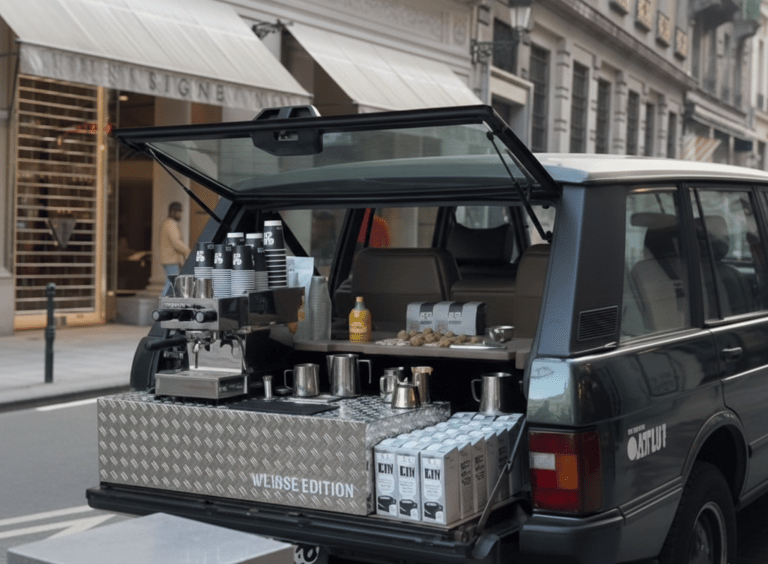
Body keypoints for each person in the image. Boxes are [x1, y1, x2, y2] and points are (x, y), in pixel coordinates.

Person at [160, 201, 190, 294]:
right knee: (172, 283)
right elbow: (176, 242)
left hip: (170, 259)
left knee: (172, 283)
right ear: (173, 212)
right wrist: (188, 251)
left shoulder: (168, 223)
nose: (180, 214)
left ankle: (165, 304)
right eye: (179, 211)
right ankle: (162, 305)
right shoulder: (171, 224)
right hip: (171, 259)